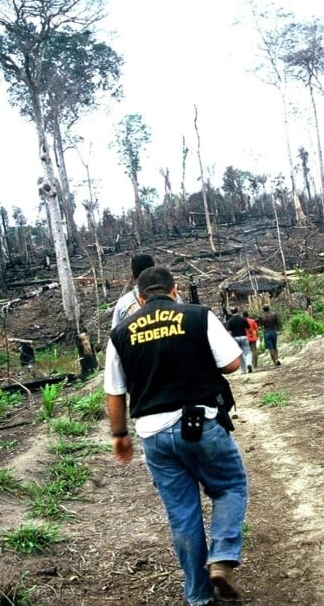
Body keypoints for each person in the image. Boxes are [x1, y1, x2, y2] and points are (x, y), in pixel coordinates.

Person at [105, 266, 248, 606]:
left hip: (153, 436)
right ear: (175, 291)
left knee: (182, 513)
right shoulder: (197, 316)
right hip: (200, 424)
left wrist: (119, 435)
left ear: (139, 298)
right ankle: (223, 554)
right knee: (230, 486)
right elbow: (232, 364)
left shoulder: (121, 333)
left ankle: (199, 596)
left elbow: (114, 392)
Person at [112, 254, 156, 328]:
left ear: (133, 278)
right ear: (155, 273)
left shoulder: (124, 304)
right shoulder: (172, 297)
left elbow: (114, 336)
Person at [225, 309, 253, 374]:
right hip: (243, 337)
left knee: (239, 355)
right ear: (238, 311)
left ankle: (243, 370)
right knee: (247, 352)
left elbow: (229, 332)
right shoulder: (243, 319)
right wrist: (250, 335)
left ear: (231, 312)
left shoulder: (230, 321)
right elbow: (249, 329)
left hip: (235, 338)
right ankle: (249, 363)